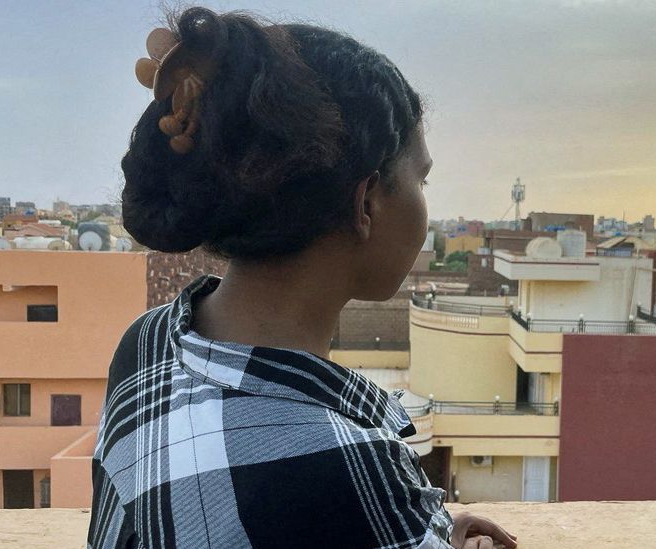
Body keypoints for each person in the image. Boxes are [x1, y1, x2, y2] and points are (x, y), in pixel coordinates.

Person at [87, 7, 517, 549]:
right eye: (422, 178)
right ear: (366, 202)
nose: (426, 204)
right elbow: (321, 500)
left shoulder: (147, 341)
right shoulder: (342, 469)